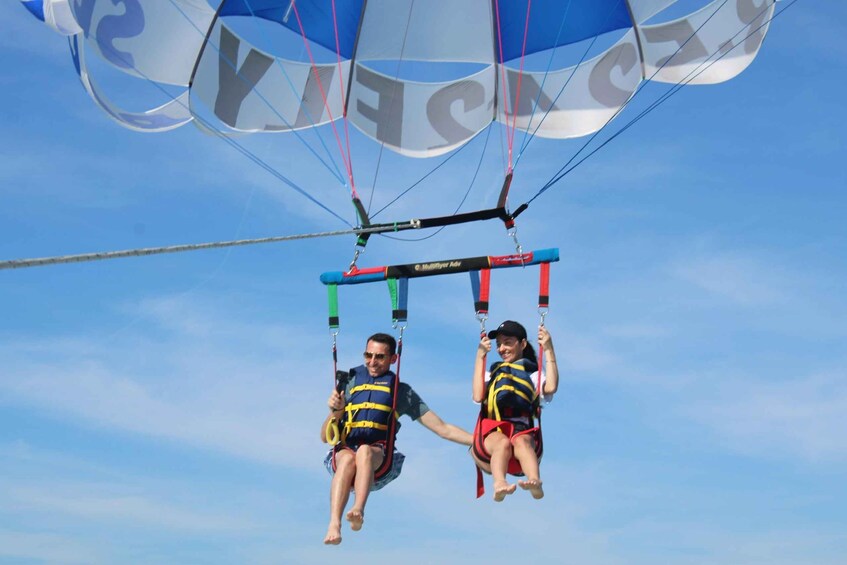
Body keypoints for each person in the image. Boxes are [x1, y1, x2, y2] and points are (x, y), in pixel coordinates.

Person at [320, 332, 472, 545]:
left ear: (393, 359)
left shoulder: (401, 392)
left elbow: (442, 428)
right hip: (344, 454)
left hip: (379, 462)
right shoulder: (349, 383)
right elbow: (324, 437)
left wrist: (478, 441)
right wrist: (334, 412)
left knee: (363, 451)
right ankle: (334, 523)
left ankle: (358, 510)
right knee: (346, 459)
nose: (372, 362)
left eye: (380, 357)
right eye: (368, 355)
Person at [471, 320, 559, 502]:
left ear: (523, 344)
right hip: (494, 431)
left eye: (507, 342)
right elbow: (478, 396)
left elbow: (550, 387)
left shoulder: (532, 375)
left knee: (523, 442)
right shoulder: (491, 375)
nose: (502, 348)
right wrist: (480, 356)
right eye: (498, 345)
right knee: (502, 443)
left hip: (521, 429)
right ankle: (499, 483)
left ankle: (535, 481)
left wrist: (549, 349)